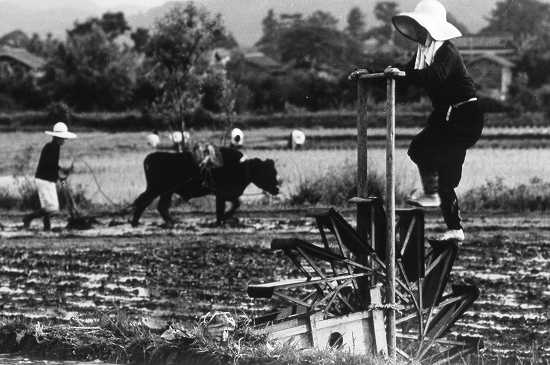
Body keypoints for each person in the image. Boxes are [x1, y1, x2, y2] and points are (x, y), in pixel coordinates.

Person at [385, 0, 484, 241]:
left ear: (430, 28)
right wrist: (370, 73)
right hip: (444, 115)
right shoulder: (423, 53)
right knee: (418, 149)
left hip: (464, 116)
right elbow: (405, 75)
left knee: (447, 174)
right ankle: (431, 193)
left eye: (421, 28)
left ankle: (455, 228)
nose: (417, 33)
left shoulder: (446, 52)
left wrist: (404, 73)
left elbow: (433, 77)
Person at [23, 122, 77, 231]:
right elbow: (50, 165)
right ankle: (28, 218)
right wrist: (61, 176)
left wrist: (61, 171)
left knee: (49, 208)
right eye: (63, 138)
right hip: (44, 179)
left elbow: (53, 166)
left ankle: (46, 227)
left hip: (47, 179)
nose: (64, 140)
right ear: (57, 137)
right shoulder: (51, 148)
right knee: (52, 208)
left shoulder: (54, 147)